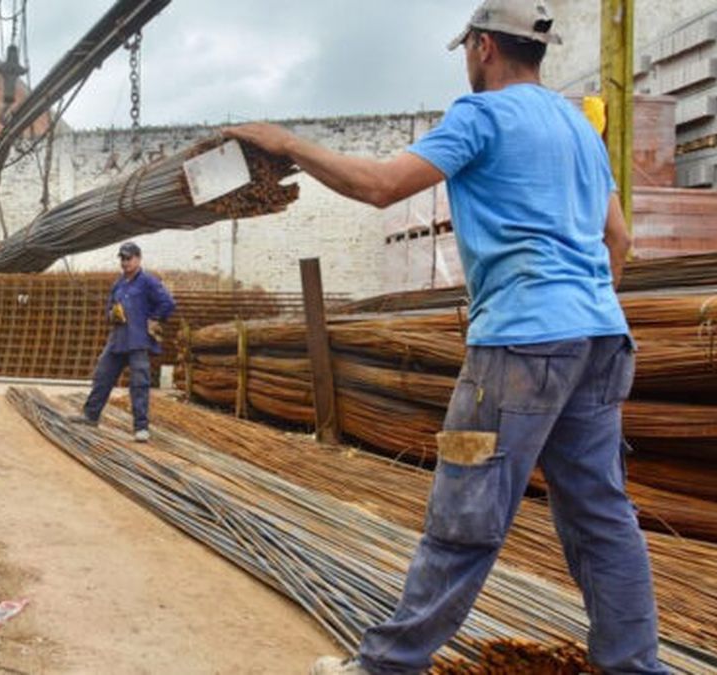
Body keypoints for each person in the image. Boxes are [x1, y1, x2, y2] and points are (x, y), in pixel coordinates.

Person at [225, 1, 664, 673]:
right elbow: (619, 239)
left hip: (517, 348)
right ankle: (636, 666)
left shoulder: (480, 117)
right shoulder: (579, 127)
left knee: (466, 507)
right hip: (602, 341)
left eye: (467, 50)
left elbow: (381, 188)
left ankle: (388, 665)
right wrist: (583, 304)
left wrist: (289, 146)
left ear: (484, 46)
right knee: (604, 518)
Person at [71, 242, 176, 442]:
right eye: (122, 258)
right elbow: (109, 307)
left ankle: (141, 427)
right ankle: (90, 416)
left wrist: (154, 318)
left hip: (138, 341)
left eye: (128, 258)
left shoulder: (148, 281)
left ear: (138, 259)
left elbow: (168, 303)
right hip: (118, 340)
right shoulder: (118, 284)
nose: (125, 262)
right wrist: (113, 314)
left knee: (139, 384)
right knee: (102, 376)